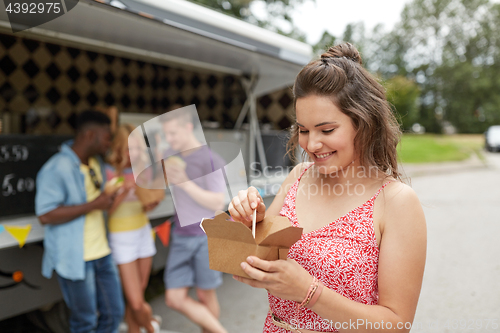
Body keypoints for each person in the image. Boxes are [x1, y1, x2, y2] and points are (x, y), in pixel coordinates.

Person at [228, 43, 427, 333]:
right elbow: (257, 261)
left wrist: (310, 292)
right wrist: (250, 223)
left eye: (327, 130)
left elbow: (397, 325)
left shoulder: (396, 201)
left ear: (364, 123)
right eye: (304, 130)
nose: (311, 145)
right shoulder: (297, 177)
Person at [35, 110, 124, 333]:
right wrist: (95, 204)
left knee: (114, 313)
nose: (109, 143)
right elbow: (45, 215)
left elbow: (103, 201)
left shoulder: (97, 164)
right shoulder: (57, 167)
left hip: (102, 254)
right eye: (107, 137)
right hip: (75, 259)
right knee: (85, 321)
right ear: (90, 134)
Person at [160, 107, 228, 333]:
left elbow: (218, 202)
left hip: (204, 237)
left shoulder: (211, 159)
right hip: (180, 235)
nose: (169, 139)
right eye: (166, 134)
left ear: (188, 127)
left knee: (205, 294)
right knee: (173, 298)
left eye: (173, 133)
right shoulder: (170, 155)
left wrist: (185, 182)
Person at [106, 124, 161, 333]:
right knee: (137, 302)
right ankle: (151, 325)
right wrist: (122, 192)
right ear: (119, 147)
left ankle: (134, 330)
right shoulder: (109, 171)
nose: (135, 153)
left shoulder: (142, 171)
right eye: (130, 148)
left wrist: (150, 202)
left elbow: (145, 207)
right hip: (121, 238)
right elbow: (104, 211)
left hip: (143, 233)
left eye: (138, 148)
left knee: (138, 293)